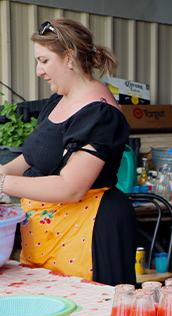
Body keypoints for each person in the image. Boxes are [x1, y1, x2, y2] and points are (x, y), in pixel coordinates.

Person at [0, 18, 137, 285]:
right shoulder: (58, 101)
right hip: (51, 228)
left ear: (69, 58)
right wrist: (3, 171)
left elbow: (71, 187)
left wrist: (3, 183)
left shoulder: (101, 113)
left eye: (44, 60)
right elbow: (34, 156)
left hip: (91, 227)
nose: (39, 71)